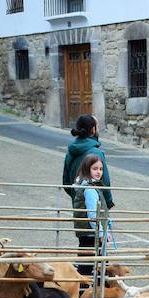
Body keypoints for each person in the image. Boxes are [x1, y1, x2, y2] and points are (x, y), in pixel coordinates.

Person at [63, 115, 115, 277]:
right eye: (97, 126)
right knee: (99, 255)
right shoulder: (96, 152)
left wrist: (78, 198)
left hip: (80, 209)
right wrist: (108, 203)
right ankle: (97, 290)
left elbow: (66, 181)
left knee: (85, 251)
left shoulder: (71, 151)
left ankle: (84, 288)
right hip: (95, 209)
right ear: (93, 129)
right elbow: (104, 182)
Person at [72, 153, 116, 275]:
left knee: (93, 264)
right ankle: (88, 290)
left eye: (101, 169)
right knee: (94, 266)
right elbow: (93, 215)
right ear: (87, 169)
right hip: (91, 234)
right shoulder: (90, 189)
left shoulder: (91, 186)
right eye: (95, 169)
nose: (99, 172)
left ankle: (88, 288)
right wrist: (102, 233)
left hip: (89, 233)